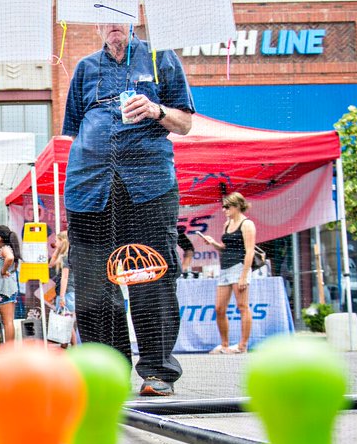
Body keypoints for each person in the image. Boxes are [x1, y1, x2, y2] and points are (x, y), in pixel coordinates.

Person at [62, 21, 195, 396]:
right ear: (99, 25)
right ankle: (107, 373)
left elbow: (184, 123)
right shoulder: (86, 68)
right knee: (92, 287)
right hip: (89, 189)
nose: (113, 25)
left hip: (148, 186)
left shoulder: (160, 57)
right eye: (105, 19)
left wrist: (155, 110)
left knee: (151, 277)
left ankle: (158, 372)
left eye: (119, 16)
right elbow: (73, 129)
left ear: (133, 18)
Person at [200, 192, 258, 353]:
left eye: (227, 206)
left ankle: (242, 346)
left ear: (237, 206)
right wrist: (213, 243)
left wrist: (244, 275)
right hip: (225, 267)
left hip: (239, 267)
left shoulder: (247, 224)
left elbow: (250, 251)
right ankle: (224, 345)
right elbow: (225, 247)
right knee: (219, 308)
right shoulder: (227, 224)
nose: (224, 209)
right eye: (223, 206)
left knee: (242, 306)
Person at [0, 225, 22, 345]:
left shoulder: (5, 249)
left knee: (7, 321)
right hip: (7, 289)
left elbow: (10, 258)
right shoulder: (8, 248)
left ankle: (9, 348)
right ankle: (9, 347)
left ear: (0, 238)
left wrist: (3, 271)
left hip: (4, 290)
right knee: (8, 321)